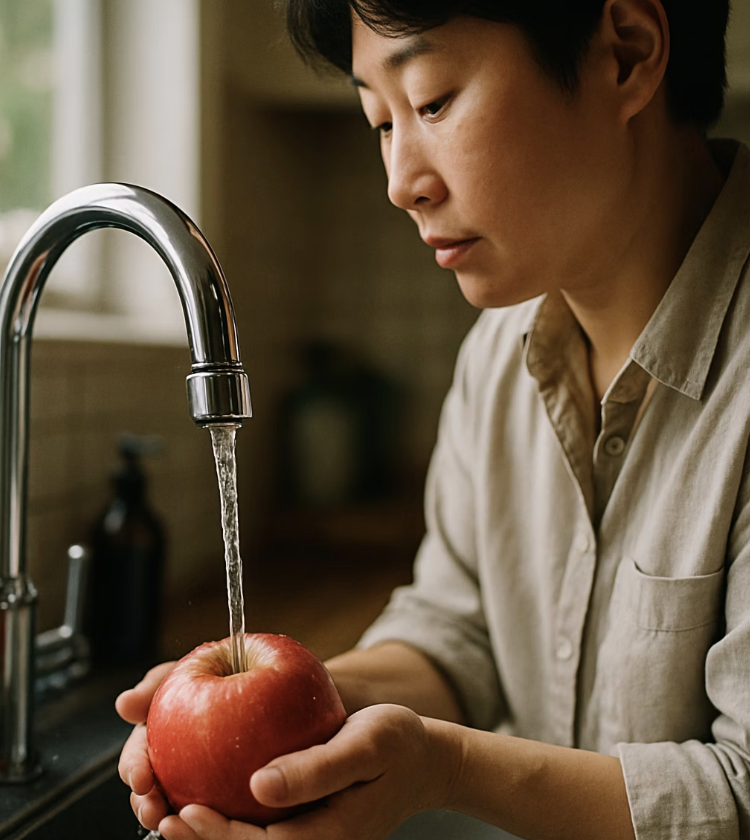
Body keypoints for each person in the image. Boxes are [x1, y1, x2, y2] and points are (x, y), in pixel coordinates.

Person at [116, 0, 749, 837]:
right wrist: (285, 721)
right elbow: (457, 634)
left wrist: (445, 768)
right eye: (381, 120)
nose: (400, 180)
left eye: (433, 101)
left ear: (627, 52)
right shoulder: (498, 355)